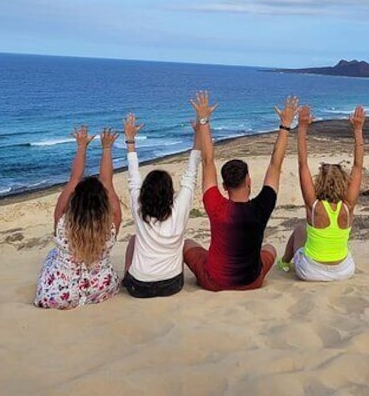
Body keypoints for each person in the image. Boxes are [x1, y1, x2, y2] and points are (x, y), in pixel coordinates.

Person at [183, 91, 298, 291]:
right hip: (252, 281)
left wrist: (204, 120)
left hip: (214, 282)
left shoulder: (215, 204)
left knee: (186, 244)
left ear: (224, 186)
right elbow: (275, 165)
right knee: (270, 248)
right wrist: (285, 125)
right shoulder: (262, 206)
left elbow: (208, 161)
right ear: (249, 181)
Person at [34, 126, 122, 309]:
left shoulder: (61, 224)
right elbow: (107, 182)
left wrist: (81, 146)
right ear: (103, 203)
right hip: (101, 289)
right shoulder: (111, 225)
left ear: (75, 201)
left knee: (52, 255)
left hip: (58, 295)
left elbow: (74, 179)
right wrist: (107, 148)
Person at [279, 104, 365, 281]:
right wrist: (357, 130)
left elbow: (303, 164)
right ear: (343, 182)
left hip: (311, 271)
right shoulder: (348, 207)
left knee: (300, 230)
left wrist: (302, 128)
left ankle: (284, 263)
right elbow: (358, 166)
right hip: (344, 271)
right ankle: (288, 262)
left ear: (319, 181)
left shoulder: (314, 206)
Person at [121, 109, 201, 298]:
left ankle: (126, 279)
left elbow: (133, 175)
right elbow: (192, 173)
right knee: (181, 242)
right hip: (172, 285)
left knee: (134, 239)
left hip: (139, 287)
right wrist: (199, 133)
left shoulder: (139, 207)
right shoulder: (180, 208)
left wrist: (130, 141)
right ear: (170, 192)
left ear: (144, 192)